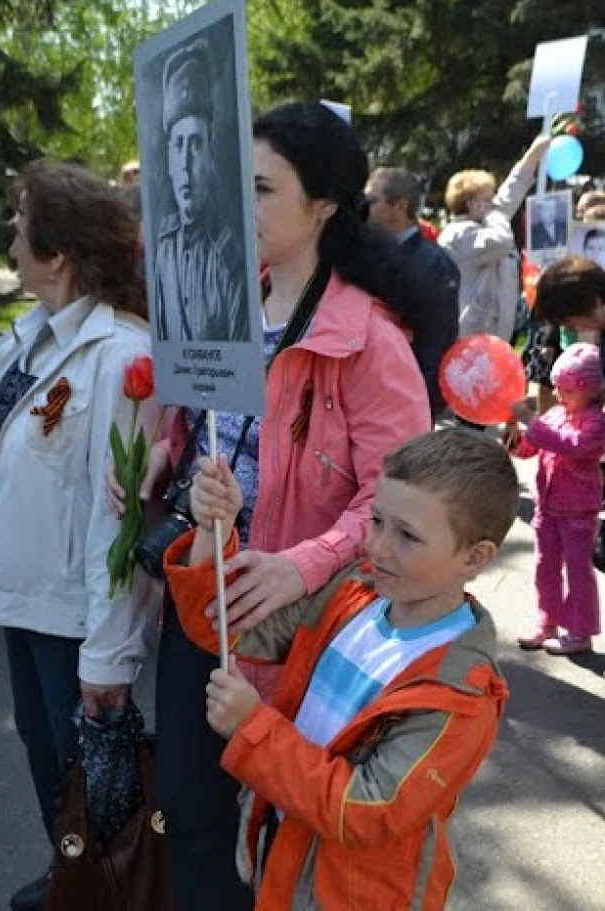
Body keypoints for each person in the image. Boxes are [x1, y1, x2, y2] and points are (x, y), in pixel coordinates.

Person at [108, 101, 432, 908]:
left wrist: (302, 564)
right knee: (189, 816)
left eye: (259, 189)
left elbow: (401, 494)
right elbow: (190, 418)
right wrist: (160, 459)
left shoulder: (370, 341)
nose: (235, 209)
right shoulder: (217, 298)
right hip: (204, 597)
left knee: (290, 831)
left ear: (324, 203)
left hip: (306, 625)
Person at [163, 427, 518, 910]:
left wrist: (252, 727)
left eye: (408, 535)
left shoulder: (462, 693)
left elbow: (368, 809)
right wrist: (214, 530)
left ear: (474, 558)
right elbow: (225, 628)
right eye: (376, 521)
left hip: (358, 894)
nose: (378, 547)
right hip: (289, 859)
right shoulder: (357, 594)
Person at [0, 160, 158, 910]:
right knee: (47, 762)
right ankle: (70, 878)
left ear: (57, 255)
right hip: (23, 601)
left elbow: (119, 515)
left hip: (73, 619)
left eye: (20, 229)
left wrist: (109, 654)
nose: (11, 244)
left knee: (87, 778)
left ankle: (100, 890)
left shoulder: (121, 356)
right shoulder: (30, 339)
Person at [510, 344, 605, 655]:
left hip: (579, 510)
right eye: (558, 388)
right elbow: (530, 448)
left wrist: (532, 423)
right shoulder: (554, 413)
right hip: (547, 507)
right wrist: (516, 435)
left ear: (590, 391)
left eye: (568, 390)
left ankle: (580, 631)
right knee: (544, 568)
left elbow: (571, 445)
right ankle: (546, 621)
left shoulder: (596, 423)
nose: (560, 395)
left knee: (578, 572)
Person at [154, 39, 249, 342]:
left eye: (196, 144)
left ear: (210, 158)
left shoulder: (231, 261)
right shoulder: (163, 248)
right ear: (169, 160)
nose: (185, 163)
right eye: (178, 146)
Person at [366, 167, 459, 417]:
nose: (363, 208)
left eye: (371, 201)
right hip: (371, 394)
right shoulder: (368, 254)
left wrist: (423, 404)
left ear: (399, 207)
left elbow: (435, 341)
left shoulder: (433, 265)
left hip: (405, 402)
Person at [438, 136, 549, 343]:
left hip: (494, 336)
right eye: (487, 199)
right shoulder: (460, 234)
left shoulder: (485, 222)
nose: (493, 204)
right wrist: (496, 215)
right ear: (470, 203)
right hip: (471, 337)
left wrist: (533, 155)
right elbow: (501, 242)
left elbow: (510, 193)